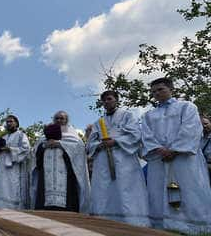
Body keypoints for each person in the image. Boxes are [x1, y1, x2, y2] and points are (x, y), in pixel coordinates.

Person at [141, 77, 211, 234]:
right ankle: (162, 225)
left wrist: (175, 149)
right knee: (159, 191)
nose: (156, 93)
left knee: (190, 189)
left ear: (171, 89)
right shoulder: (148, 115)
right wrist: (159, 149)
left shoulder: (187, 107)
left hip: (184, 159)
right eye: (153, 92)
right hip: (159, 159)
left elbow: (191, 128)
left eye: (160, 89)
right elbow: (146, 136)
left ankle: (194, 225)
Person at [87, 91, 150, 227]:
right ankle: (103, 220)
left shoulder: (127, 116)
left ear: (116, 100)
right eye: (103, 101)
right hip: (103, 159)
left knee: (125, 188)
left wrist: (116, 141)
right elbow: (90, 143)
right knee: (104, 188)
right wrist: (99, 144)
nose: (106, 102)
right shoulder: (99, 122)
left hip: (124, 157)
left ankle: (131, 221)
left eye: (109, 99)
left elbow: (135, 134)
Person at [30, 111, 90, 212]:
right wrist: (44, 145)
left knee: (68, 204)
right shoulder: (43, 138)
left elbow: (79, 150)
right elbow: (35, 153)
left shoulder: (73, 137)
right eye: (57, 118)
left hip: (67, 176)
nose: (59, 120)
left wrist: (60, 144)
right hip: (46, 176)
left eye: (62, 118)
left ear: (66, 120)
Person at [0, 115, 30, 209]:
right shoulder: (3, 137)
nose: (8, 123)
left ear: (16, 123)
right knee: (0, 187)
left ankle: (12, 210)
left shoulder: (21, 135)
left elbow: (26, 149)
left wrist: (10, 149)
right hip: (1, 167)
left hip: (13, 169)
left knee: (11, 189)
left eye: (11, 121)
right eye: (7, 122)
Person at [201, 115, 211, 182]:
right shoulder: (198, 138)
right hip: (203, 167)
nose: (204, 126)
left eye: (206, 124)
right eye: (202, 125)